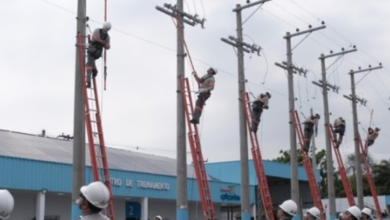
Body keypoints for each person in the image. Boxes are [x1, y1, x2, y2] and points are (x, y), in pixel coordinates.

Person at [86, 22, 112, 88]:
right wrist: (103, 43)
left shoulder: (98, 31)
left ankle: (88, 81)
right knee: (90, 63)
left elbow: (94, 37)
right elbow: (107, 46)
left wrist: (101, 42)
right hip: (98, 52)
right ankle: (94, 69)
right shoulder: (107, 37)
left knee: (89, 65)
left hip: (92, 50)